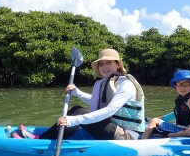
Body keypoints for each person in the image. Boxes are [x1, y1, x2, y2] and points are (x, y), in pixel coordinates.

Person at [12, 48, 145, 140]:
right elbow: (95, 102)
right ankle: (40, 138)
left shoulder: (125, 84)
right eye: (101, 64)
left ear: (117, 65)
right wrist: (77, 92)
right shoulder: (106, 82)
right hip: (113, 127)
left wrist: (73, 120)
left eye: (108, 63)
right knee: (76, 109)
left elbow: (110, 110)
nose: (104, 67)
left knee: (77, 114)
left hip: (126, 136)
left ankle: (39, 140)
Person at [141, 69, 190, 139]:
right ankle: (142, 142)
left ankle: (168, 135)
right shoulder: (180, 99)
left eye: (186, 84)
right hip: (180, 129)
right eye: (179, 84)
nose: (182, 87)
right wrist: (161, 118)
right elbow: (176, 113)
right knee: (154, 120)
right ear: (175, 86)